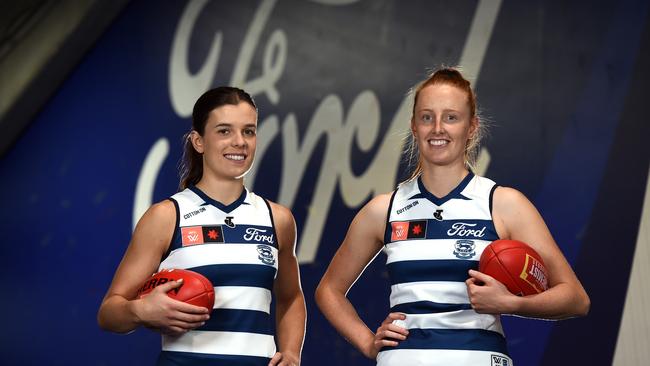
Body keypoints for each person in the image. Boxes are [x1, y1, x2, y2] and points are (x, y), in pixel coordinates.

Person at [315, 67, 590, 365]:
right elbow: (329, 290)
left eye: (451, 117)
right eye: (426, 117)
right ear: (414, 125)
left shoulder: (503, 204)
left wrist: (511, 303)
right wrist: (369, 343)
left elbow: (575, 298)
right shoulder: (384, 209)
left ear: (471, 126)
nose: (437, 129)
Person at [98, 86, 306, 366]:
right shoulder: (167, 216)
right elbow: (109, 313)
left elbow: (291, 298)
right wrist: (140, 311)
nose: (239, 142)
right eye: (224, 131)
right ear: (199, 141)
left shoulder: (277, 218)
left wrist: (292, 353)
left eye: (248, 131)